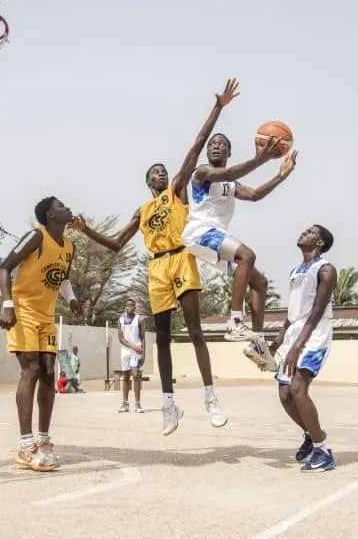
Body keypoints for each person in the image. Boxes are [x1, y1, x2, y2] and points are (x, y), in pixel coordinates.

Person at [73, 79, 240, 436]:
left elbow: (196, 146)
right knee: (161, 338)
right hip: (157, 268)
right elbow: (117, 243)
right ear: (148, 181)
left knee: (195, 330)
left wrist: (218, 107)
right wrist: (86, 230)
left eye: (164, 170)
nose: (162, 173)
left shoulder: (177, 191)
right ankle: (168, 405)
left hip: (181, 257)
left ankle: (210, 397)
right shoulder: (144, 209)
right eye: (156, 172)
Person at [181, 128, 296, 367]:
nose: (215, 145)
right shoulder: (202, 172)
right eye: (212, 142)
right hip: (200, 232)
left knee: (260, 282)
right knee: (247, 255)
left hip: (215, 237)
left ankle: (259, 344)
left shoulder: (231, 184)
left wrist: (280, 176)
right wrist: (261, 158)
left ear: (229, 151)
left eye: (222, 143)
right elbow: (231, 171)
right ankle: (234, 321)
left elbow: (253, 194)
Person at [0, 196, 80, 472]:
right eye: (61, 206)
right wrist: (7, 305)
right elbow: (5, 267)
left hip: (46, 315)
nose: (68, 208)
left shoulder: (69, 245)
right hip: (22, 309)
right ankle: (25, 446)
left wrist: (71, 300)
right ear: (50, 216)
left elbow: (64, 278)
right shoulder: (37, 236)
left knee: (48, 371)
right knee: (30, 369)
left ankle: (44, 441)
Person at [271, 224, 338, 473]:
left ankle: (323, 450)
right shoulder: (295, 271)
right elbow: (293, 312)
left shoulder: (326, 269)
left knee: (298, 387)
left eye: (310, 232)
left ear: (320, 242)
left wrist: (298, 345)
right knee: (284, 394)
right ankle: (311, 434)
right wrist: (279, 340)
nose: (303, 233)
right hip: (295, 331)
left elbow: (317, 311)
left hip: (316, 332)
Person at [117, 298, 146, 413]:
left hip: (136, 351)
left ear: (135, 307)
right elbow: (120, 338)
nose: (130, 307)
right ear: (125, 307)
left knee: (136, 374)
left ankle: (138, 404)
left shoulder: (140, 319)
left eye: (132, 305)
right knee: (125, 376)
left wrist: (143, 353)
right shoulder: (121, 320)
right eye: (128, 305)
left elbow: (143, 337)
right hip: (125, 351)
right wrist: (132, 346)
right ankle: (125, 403)